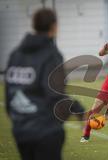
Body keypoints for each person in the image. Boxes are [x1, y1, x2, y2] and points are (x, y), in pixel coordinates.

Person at [5, 8, 85, 160]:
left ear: (34, 25)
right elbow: (55, 95)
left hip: (20, 131)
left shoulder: (16, 54)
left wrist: (19, 121)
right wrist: (79, 111)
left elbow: (9, 94)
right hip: (46, 132)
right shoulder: (51, 55)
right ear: (54, 26)